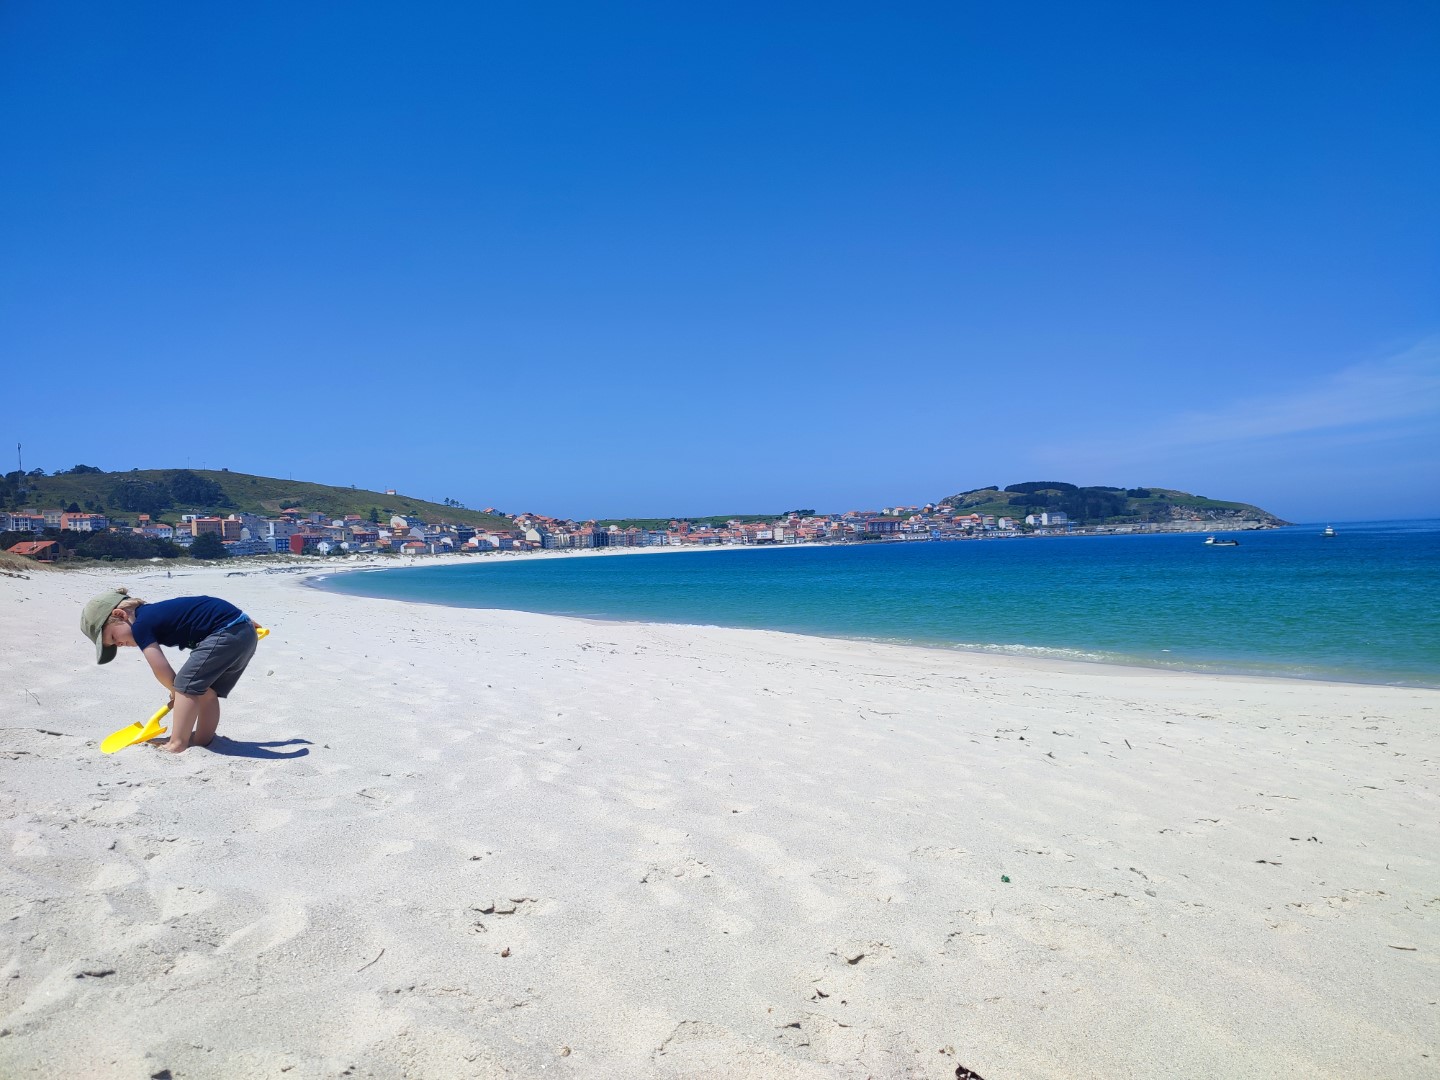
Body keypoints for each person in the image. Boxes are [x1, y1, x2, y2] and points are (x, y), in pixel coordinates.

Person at [80, 587, 259, 754]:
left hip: (226, 632)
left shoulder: (140, 625)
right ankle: (202, 740)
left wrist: (175, 690)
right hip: (243, 630)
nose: (119, 644)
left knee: (184, 685)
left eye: (113, 637)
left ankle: (177, 743)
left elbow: (160, 667)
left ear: (119, 615)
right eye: (115, 645)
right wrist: (244, 623)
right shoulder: (154, 612)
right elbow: (201, 608)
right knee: (206, 691)